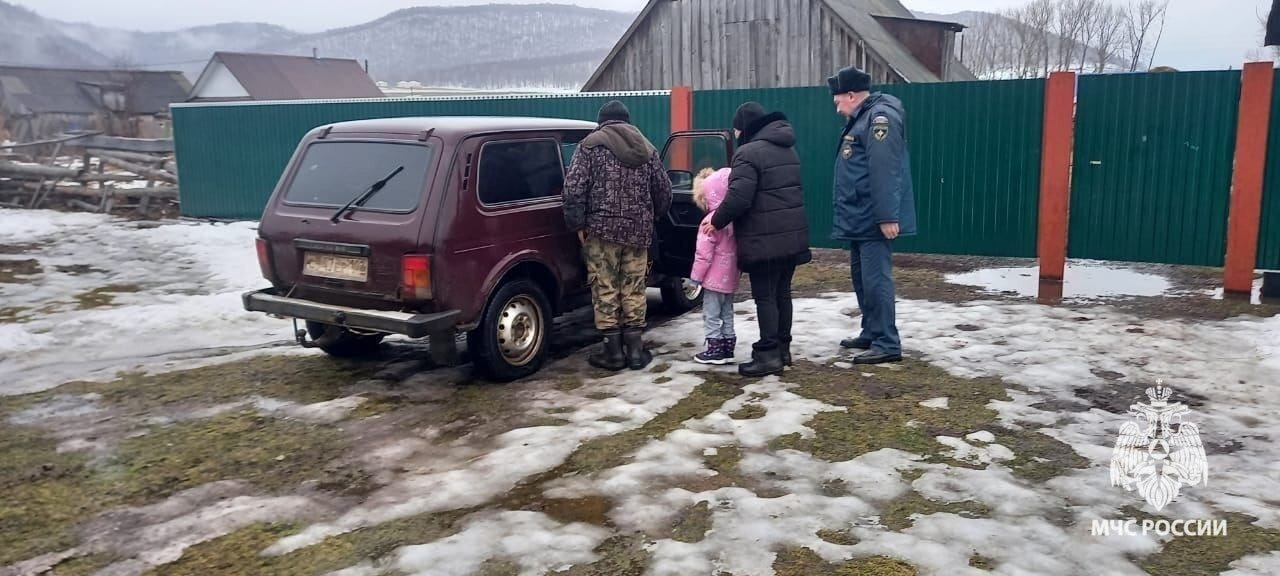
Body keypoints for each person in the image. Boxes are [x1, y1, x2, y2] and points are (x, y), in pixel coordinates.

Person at [701, 102, 811, 377]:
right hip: (792, 234)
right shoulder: (788, 147)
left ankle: (767, 354)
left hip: (765, 239)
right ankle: (783, 350)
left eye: (737, 129)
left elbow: (738, 198)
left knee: (765, 297)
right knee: (783, 293)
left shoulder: (748, 153)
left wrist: (715, 221)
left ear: (743, 128)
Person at [563, 100, 672, 371]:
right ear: (627, 120)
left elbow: (573, 189)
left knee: (605, 289)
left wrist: (576, 224)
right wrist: (650, 217)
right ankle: (635, 353)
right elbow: (664, 192)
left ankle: (612, 354)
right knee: (634, 289)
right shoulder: (647, 148)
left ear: (603, 121)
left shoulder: (589, 146)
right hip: (637, 233)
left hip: (600, 232)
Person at [827, 66, 917, 365]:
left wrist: (887, 216)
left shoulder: (880, 119)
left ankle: (887, 343)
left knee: (876, 280)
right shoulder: (863, 117)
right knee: (862, 278)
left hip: (871, 218)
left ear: (852, 95)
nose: (838, 108)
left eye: (839, 101)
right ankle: (871, 330)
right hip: (859, 216)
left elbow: (884, 170)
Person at [689, 167, 739, 365]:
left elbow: (703, 255)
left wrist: (696, 278)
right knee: (727, 312)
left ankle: (714, 349)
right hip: (731, 277)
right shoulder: (732, 219)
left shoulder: (710, 222)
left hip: (712, 279)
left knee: (711, 314)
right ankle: (728, 346)